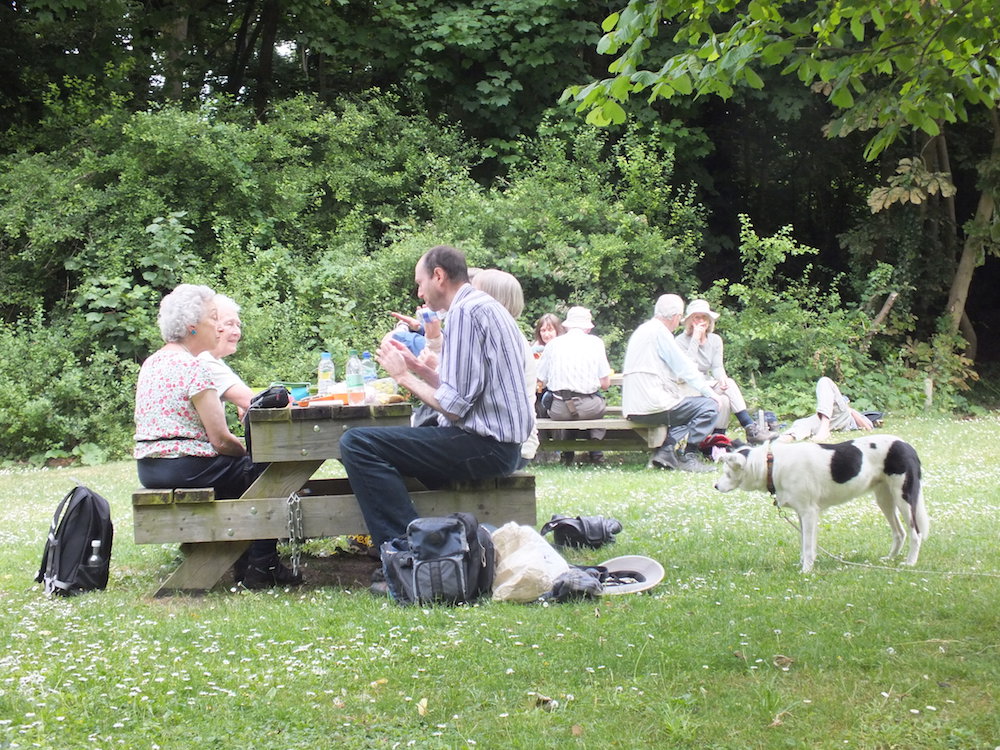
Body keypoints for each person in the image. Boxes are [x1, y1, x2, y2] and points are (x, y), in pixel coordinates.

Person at [338, 245, 533, 560]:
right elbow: (465, 391)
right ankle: (418, 543)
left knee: (357, 443)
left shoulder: (465, 312)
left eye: (420, 282)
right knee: (377, 443)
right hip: (496, 443)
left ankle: (408, 555)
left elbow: (454, 407)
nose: (419, 293)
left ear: (438, 276)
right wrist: (420, 370)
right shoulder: (476, 306)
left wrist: (403, 377)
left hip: (489, 446)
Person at [133, 283, 300, 589]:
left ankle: (246, 562)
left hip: (150, 468)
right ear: (192, 327)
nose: (218, 326)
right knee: (266, 468)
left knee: (243, 470)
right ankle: (263, 565)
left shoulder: (152, 363)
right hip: (186, 466)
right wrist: (252, 454)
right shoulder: (194, 368)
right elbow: (220, 441)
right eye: (213, 318)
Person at [621, 294, 725, 473]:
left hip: (632, 406)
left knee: (687, 408)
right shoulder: (661, 333)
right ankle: (689, 457)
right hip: (652, 406)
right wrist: (711, 393)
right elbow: (684, 368)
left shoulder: (643, 330)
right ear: (677, 316)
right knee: (708, 406)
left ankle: (666, 450)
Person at [675, 299, 778, 445]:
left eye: (704, 317)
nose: (701, 321)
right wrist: (695, 340)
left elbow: (717, 367)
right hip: (687, 386)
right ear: (690, 321)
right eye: (696, 317)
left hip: (707, 381)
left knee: (725, 394)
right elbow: (686, 369)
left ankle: (718, 441)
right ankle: (750, 427)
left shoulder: (715, 340)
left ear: (709, 320)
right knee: (723, 391)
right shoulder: (680, 341)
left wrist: (721, 378)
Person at [471, 269, 539, 465]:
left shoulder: (505, 340)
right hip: (511, 444)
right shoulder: (506, 335)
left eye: (473, 293)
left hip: (512, 449)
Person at [536, 306, 612, 465]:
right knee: (599, 403)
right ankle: (596, 452)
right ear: (587, 327)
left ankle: (567, 454)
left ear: (567, 325)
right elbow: (605, 384)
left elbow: (539, 379)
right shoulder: (595, 343)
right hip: (588, 408)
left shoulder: (552, 345)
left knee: (567, 407)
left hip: (559, 410)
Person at [198, 294, 254, 418]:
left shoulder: (212, 360)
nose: (237, 332)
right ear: (211, 326)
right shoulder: (205, 361)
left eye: (238, 325)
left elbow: (247, 399)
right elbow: (253, 401)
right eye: (229, 324)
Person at [781, 377, 875, 442]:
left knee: (824, 381)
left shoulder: (856, 414)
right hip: (831, 422)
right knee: (802, 423)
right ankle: (787, 437)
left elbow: (868, 428)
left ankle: (824, 429)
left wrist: (850, 410)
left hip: (844, 419)